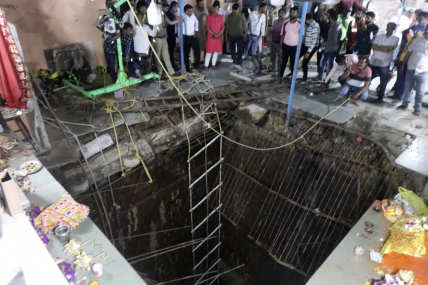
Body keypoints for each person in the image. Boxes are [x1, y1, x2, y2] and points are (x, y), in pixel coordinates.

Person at [389, 24, 426, 102]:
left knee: (404, 81)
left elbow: (411, 54)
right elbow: (405, 49)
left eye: (417, 31)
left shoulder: (420, 42)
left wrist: (404, 64)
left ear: (422, 32)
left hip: (409, 63)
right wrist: (399, 58)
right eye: (414, 30)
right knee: (399, 79)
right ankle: (397, 95)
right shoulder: (412, 38)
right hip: (402, 60)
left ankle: (399, 97)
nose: (415, 32)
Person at [396, 28, 428, 116]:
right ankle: (404, 104)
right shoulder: (417, 40)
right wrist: (403, 64)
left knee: (420, 91)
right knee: (407, 88)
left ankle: (417, 108)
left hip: (423, 71)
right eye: (427, 30)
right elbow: (409, 52)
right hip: (411, 68)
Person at [367, 22, 399, 103]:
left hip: (385, 62)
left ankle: (380, 96)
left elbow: (390, 48)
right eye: (388, 27)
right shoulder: (379, 36)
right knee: (368, 77)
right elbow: (373, 46)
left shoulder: (396, 38)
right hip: (373, 60)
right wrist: (383, 48)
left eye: (391, 28)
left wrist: (379, 47)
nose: (388, 29)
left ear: (394, 29)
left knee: (383, 80)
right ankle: (364, 92)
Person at [314, 9, 342, 82]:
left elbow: (335, 40)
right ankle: (320, 77)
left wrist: (325, 43)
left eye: (328, 16)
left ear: (331, 17)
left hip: (332, 49)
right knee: (322, 63)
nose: (327, 17)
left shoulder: (336, 26)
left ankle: (327, 81)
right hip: (328, 48)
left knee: (329, 66)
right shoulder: (333, 25)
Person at [153, 2, 179, 76]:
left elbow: (170, 22)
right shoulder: (152, 17)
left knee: (166, 56)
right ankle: (160, 72)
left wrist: (178, 20)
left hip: (164, 38)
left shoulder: (163, 15)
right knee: (158, 57)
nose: (160, 9)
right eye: (158, 8)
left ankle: (171, 72)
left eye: (161, 7)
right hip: (157, 39)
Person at [278, 6, 300, 79]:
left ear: (296, 13)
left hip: (294, 47)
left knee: (293, 62)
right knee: (283, 62)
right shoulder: (285, 22)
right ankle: (280, 75)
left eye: (294, 12)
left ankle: (293, 76)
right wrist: (281, 47)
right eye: (291, 12)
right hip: (285, 45)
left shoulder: (300, 23)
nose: (292, 14)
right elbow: (282, 35)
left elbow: (302, 36)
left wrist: (299, 48)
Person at [225, 3, 247, 70]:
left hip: (239, 35)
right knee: (232, 50)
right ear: (232, 9)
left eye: (236, 10)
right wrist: (226, 35)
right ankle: (234, 62)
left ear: (238, 9)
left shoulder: (242, 15)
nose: (234, 11)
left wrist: (245, 34)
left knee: (240, 50)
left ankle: (238, 63)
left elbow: (244, 25)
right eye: (233, 10)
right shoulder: (229, 17)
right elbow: (227, 27)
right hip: (231, 36)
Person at [204, 1, 224, 70]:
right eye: (214, 8)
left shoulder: (221, 17)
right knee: (209, 51)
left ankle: (213, 64)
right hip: (211, 37)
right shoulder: (209, 17)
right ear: (212, 9)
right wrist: (214, 34)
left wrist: (218, 34)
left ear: (219, 9)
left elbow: (222, 27)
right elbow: (208, 28)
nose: (215, 10)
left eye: (217, 9)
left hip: (218, 37)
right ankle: (206, 65)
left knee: (216, 52)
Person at [300, 13, 319, 82]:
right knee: (295, 58)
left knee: (305, 62)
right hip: (305, 45)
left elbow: (314, 41)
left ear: (309, 20)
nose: (305, 21)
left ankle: (305, 77)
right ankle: (293, 73)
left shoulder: (315, 26)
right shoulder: (309, 25)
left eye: (305, 20)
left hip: (311, 47)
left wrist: (308, 51)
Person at [182, 4, 201, 72]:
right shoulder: (183, 16)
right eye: (190, 11)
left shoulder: (193, 16)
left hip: (192, 37)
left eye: (192, 10)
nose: (192, 12)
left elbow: (197, 22)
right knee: (186, 53)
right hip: (185, 37)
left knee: (197, 51)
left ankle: (197, 67)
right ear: (186, 11)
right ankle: (187, 69)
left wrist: (196, 30)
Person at [270, 9, 286, 73]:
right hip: (273, 42)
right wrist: (270, 38)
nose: (280, 15)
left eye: (282, 13)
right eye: (279, 13)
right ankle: (272, 70)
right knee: (273, 57)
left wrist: (282, 46)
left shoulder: (285, 23)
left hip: (280, 43)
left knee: (280, 59)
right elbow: (272, 31)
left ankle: (279, 72)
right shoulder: (275, 22)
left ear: (284, 15)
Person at [193, 0, 209, 64]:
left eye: (202, 4)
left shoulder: (205, 9)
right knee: (194, 46)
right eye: (200, 4)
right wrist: (200, 15)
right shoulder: (193, 9)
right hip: (195, 31)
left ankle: (201, 59)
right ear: (197, 4)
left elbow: (208, 18)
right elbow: (192, 19)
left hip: (203, 30)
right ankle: (193, 60)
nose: (201, 5)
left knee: (202, 45)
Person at [166, 1, 180, 70]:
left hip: (173, 36)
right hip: (169, 37)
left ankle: (172, 65)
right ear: (173, 7)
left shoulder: (172, 14)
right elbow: (170, 24)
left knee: (171, 51)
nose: (177, 9)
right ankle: (171, 66)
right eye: (176, 7)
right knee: (170, 52)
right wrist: (178, 20)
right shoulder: (168, 14)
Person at [317, 8, 331, 76]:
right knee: (320, 58)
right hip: (322, 43)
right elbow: (320, 33)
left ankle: (322, 73)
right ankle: (319, 73)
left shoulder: (335, 25)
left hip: (329, 45)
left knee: (326, 60)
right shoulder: (323, 23)